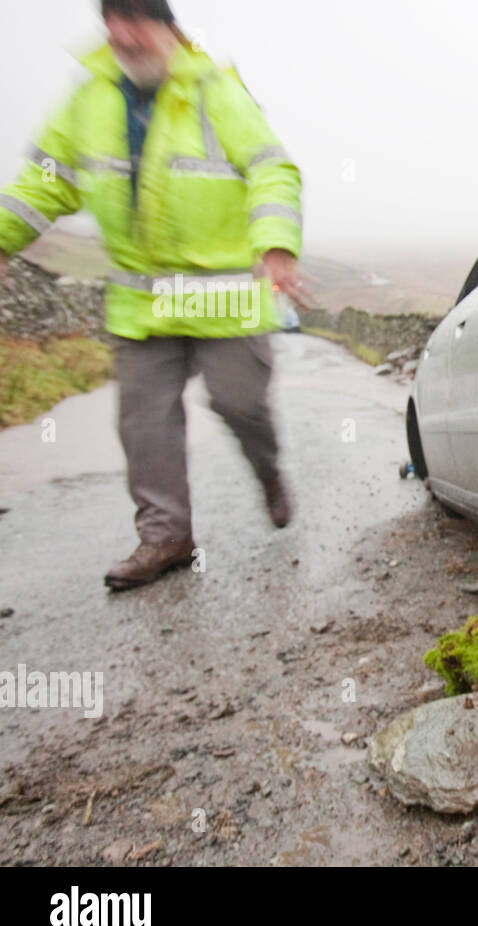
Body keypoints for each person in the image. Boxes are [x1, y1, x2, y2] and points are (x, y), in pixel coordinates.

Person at [0, 0, 311, 590]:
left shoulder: (217, 92)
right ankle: (165, 535)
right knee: (145, 423)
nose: (121, 34)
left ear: (168, 27)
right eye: (111, 20)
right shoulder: (87, 99)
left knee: (241, 405)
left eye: (135, 20)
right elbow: (41, 186)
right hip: (142, 303)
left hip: (226, 300)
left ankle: (268, 472)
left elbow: (272, 168)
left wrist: (276, 245)